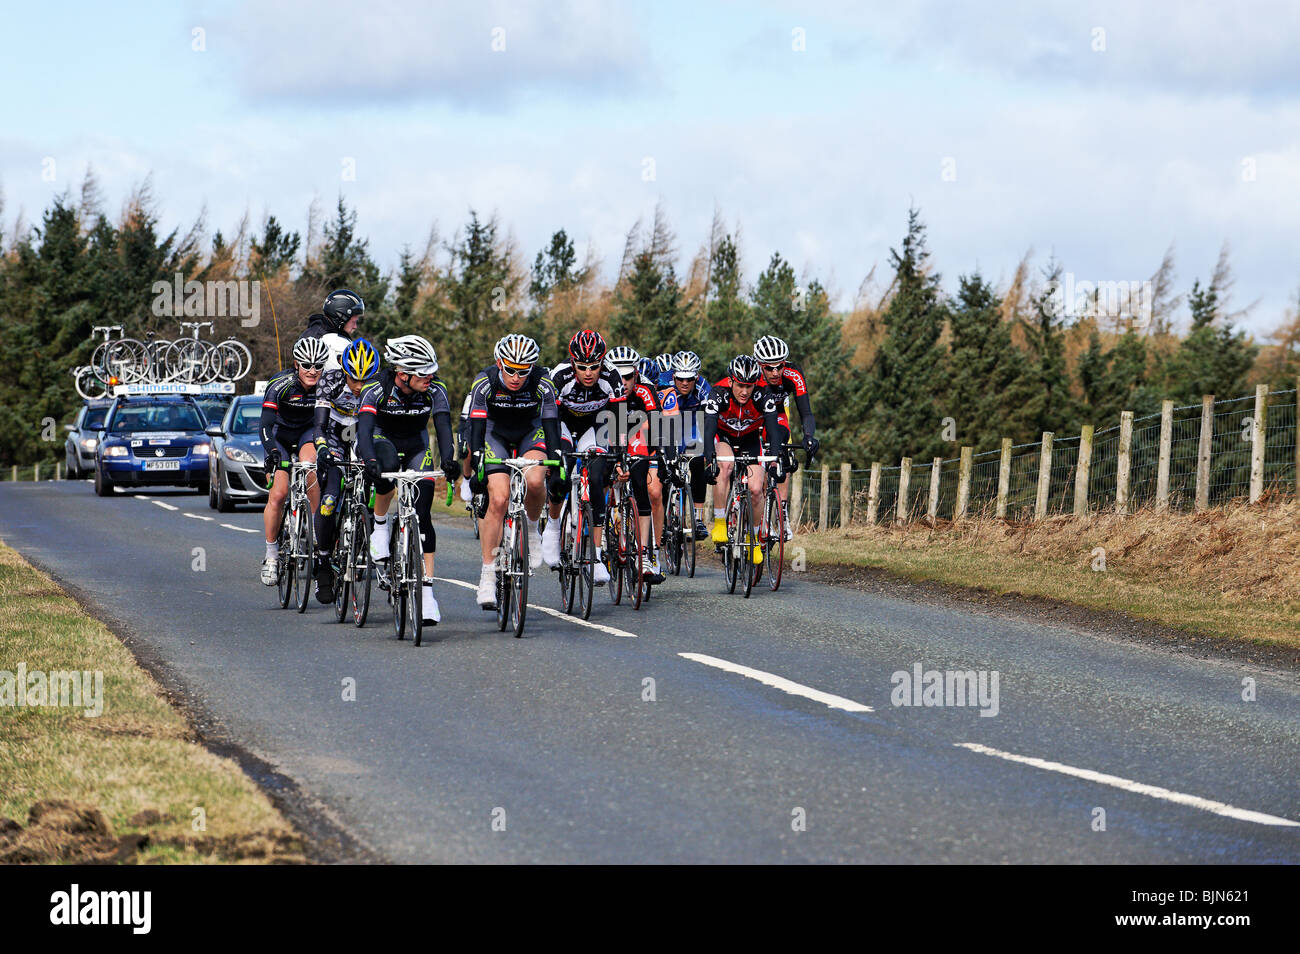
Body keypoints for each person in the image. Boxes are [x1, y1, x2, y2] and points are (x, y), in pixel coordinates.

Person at [356, 335, 455, 626]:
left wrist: (449, 458)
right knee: (385, 468)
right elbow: (364, 429)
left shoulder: (435, 389)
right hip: (382, 439)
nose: (431, 377)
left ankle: (426, 594)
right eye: (424, 373)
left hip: (416, 445)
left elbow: (444, 426)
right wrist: (369, 460)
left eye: (432, 371)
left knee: (423, 515)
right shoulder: (376, 389)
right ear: (402, 374)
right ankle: (381, 525)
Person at [466, 334, 562, 608]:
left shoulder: (543, 382)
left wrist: (556, 465)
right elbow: (476, 426)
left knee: (534, 479)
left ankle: (531, 529)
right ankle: (487, 575)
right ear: (499, 363)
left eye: (523, 371)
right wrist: (476, 462)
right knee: (498, 498)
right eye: (510, 369)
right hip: (495, 432)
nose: (516, 377)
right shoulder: (485, 382)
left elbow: (552, 425)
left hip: (530, 432)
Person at [539, 330, 619, 584]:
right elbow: (549, 418)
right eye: (582, 366)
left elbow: (617, 420)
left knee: (596, 478)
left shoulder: (611, 377)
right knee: (560, 474)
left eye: (594, 366)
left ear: (602, 363)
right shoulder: (559, 377)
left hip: (595, 426)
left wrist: (618, 457)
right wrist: (553, 454)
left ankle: (595, 557)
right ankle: (552, 527)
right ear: (572, 362)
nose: (588, 372)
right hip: (562, 424)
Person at [310, 337, 379, 603]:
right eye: (354, 379)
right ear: (344, 370)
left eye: (365, 380)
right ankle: (324, 561)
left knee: (373, 480)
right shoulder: (330, 380)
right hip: (335, 431)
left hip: (363, 430)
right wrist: (323, 449)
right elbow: (319, 425)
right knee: (329, 500)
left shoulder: (379, 385)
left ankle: (366, 529)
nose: (359, 386)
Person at [259, 336, 328, 585]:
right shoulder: (281, 384)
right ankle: (271, 556)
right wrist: (272, 452)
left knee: (311, 467)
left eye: (319, 366)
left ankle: (314, 531)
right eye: (307, 365)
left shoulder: (326, 386)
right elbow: (265, 424)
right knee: (278, 494)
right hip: (279, 435)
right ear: (296, 364)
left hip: (307, 434)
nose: (313, 371)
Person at [702, 355, 783, 562]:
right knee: (725, 464)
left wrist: (774, 460)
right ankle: (720, 523)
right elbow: (709, 427)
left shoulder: (763, 396)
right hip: (725, 437)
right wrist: (709, 457)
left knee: (756, 489)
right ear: (731, 381)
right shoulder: (718, 393)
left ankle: (754, 539)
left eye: (749, 386)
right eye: (740, 385)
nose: (744, 391)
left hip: (750, 440)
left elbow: (774, 431)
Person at [604, 345, 666, 582]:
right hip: (609, 430)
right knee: (604, 475)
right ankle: (601, 539)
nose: (624, 382)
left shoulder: (646, 389)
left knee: (641, 484)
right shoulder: (604, 388)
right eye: (619, 377)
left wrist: (662, 455)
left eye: (628, 376)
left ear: (636, 374)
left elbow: (657, 423)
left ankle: (644, 555)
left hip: (637, 436)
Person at [753, 335, 819, 540]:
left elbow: (806, 412)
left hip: (779, 414)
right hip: (754, 418)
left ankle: (781, 513)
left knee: (783, 453)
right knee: (757, 462)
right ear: (759, 365)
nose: (775, 372)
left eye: (779, 366)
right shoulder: (751, 375)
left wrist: (809, 436)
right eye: (769, 368)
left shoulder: (793, 374)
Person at [657, 350, 712, 540]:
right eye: (680, 378)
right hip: (666, 424)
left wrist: (708, 450)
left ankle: (698, 519)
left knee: (697, 462)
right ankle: (662, 522)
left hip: (690, 424)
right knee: (664, 472)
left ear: (696, 376)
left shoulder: (703, 387)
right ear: (674, 376)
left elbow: (708, 418)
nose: (685, 383)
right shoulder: (664, 384)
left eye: (690, 379)